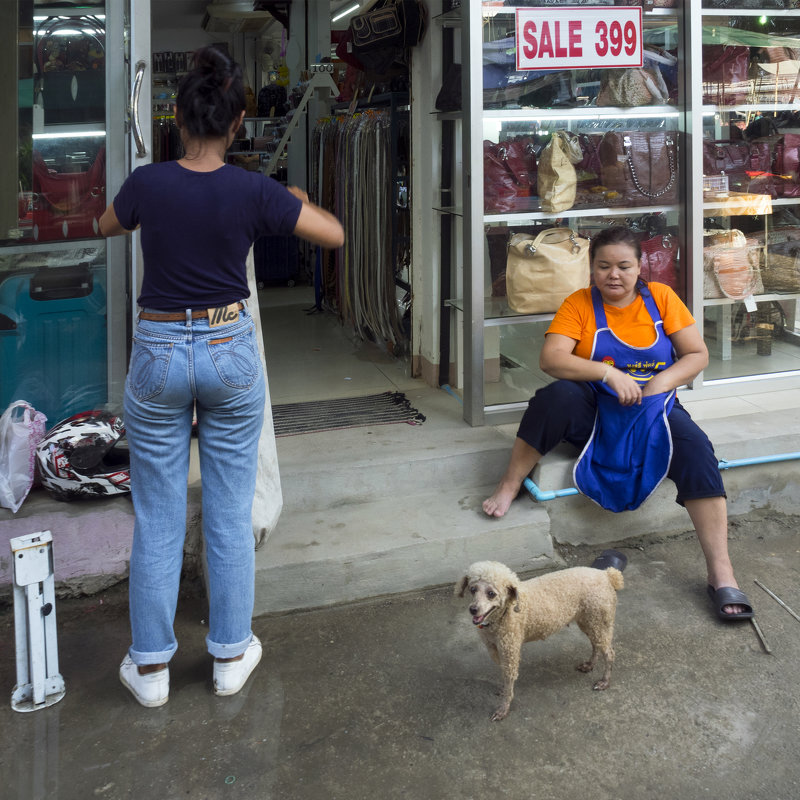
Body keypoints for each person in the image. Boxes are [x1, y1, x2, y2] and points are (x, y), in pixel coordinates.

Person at [99, 46, 344, 707]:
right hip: (230, 347)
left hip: (157, 351)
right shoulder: (252, 190)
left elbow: (106, 225)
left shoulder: (148, 183)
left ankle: (149, 671)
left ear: (176, 118)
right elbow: (335, 234)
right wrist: (291, 197)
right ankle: (230, 657)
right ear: (237, 124)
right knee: (230, 514)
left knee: (158, 516)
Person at [482, 225, 753, 622]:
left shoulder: (661, 298)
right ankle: (509, 484)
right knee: (556, 397)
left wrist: (660, 383)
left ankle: (721, 572)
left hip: (654, 409)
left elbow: (696, 354)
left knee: (696, 450)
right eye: (604, 266)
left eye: (624, 266)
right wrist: (607, 374)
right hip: (596, 411)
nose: (614, 275)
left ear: (639, 266)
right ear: (591, 268)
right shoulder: (578, 304)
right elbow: (551, 358)